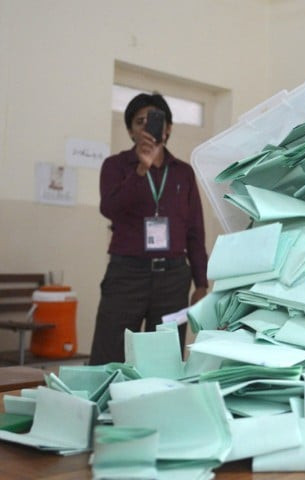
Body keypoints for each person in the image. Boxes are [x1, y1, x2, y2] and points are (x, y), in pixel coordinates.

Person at [89, 92, 208, 365]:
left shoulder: (183, 173)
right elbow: (110, 208)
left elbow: (194, 230)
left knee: (163, 361)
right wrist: (140, 170)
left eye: (154, 120)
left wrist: (201, 283)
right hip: (126, 275)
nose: (147, 126)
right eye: (139, 121)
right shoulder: (115, 166)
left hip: (174, 278)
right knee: (109, 354)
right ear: (131, 131)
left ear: (168, 128)